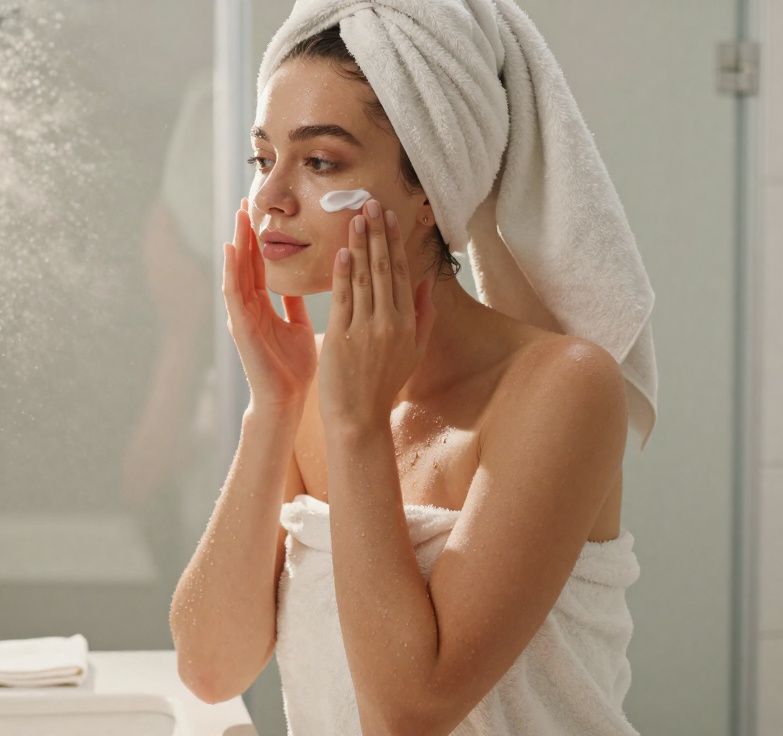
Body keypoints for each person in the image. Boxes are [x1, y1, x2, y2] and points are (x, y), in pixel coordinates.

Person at [169, 19, 643, 736]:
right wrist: (273, 406)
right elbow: (211, 670)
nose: (270, 196)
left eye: (320, 162)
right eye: (263, 158)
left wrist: (356, 425)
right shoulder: (313, 385)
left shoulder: (563, 387)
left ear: (430, 194)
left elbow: (407, 715)